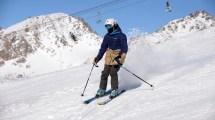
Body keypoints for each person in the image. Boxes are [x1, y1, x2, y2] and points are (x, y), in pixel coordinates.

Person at [93, 18, 128, 99]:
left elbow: (124, 49)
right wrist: (97, 58)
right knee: (104, 73)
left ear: (114, 25)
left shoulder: (121, 36)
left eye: (109, 26)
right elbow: (103, 48)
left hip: (118, 58)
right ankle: (102, 89)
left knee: (113, 72)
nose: (108, 28)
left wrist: (120, 59)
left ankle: (114, 89)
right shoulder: (107, 36)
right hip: (108, 58)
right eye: (106, 27)